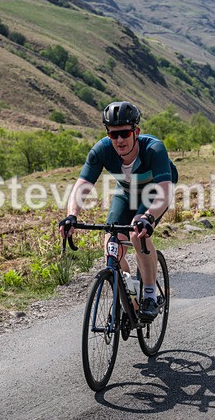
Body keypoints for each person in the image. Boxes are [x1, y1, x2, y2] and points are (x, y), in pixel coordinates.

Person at [58, 101, 178, 322]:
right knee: (111, 245)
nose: (120, 140)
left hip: (155, 192)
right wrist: (72, 215)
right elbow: (82, 184)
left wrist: (148, 217)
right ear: (108, 135)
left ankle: (150, 294)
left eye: (125, 133)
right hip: (127, 191)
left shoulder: (154, 149)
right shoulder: (101, 150)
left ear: (136, 132)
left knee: (136, 232)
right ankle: (128, 298)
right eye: (114, 135)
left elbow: (164, 192)